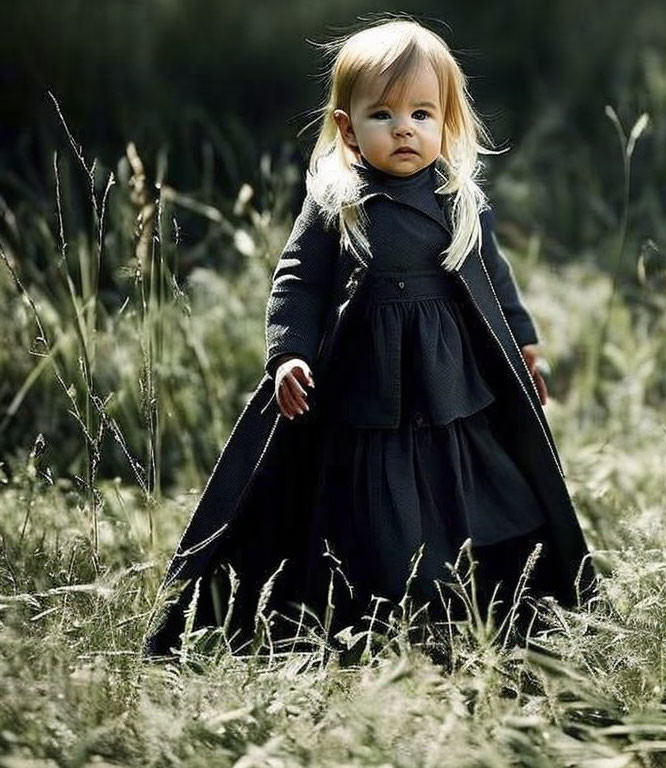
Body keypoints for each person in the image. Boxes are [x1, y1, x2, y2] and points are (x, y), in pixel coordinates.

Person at [141, 16, 600, 661]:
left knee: (471, 484)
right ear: (348, 126)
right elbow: (296, 281)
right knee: (376, 496)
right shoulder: (339, 199)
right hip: (369, 382)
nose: (404, 128)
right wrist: (288, 354)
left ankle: (494, 595)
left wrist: (522, 344)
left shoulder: (457, 197)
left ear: (447, 122)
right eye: (383, 114)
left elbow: (493, 277)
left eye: (421, 113)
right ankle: (379, 607)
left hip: (449, 380)